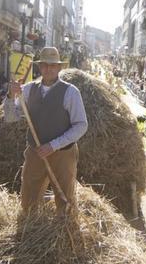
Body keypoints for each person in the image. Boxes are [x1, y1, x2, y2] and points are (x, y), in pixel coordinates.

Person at [5, 47, 88, 214]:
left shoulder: (71, 92)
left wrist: (54, 145)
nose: (48, 69)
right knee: (29, 197)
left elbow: (81, 125)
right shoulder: (27, 90)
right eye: (44, 65)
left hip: (63, 154)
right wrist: (10, 96)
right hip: (35, 152)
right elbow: (11, 117)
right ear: (39, 67)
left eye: (52, 65)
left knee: (65, 198)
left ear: (59, 68)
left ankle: (65, 233)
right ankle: (29, 230)